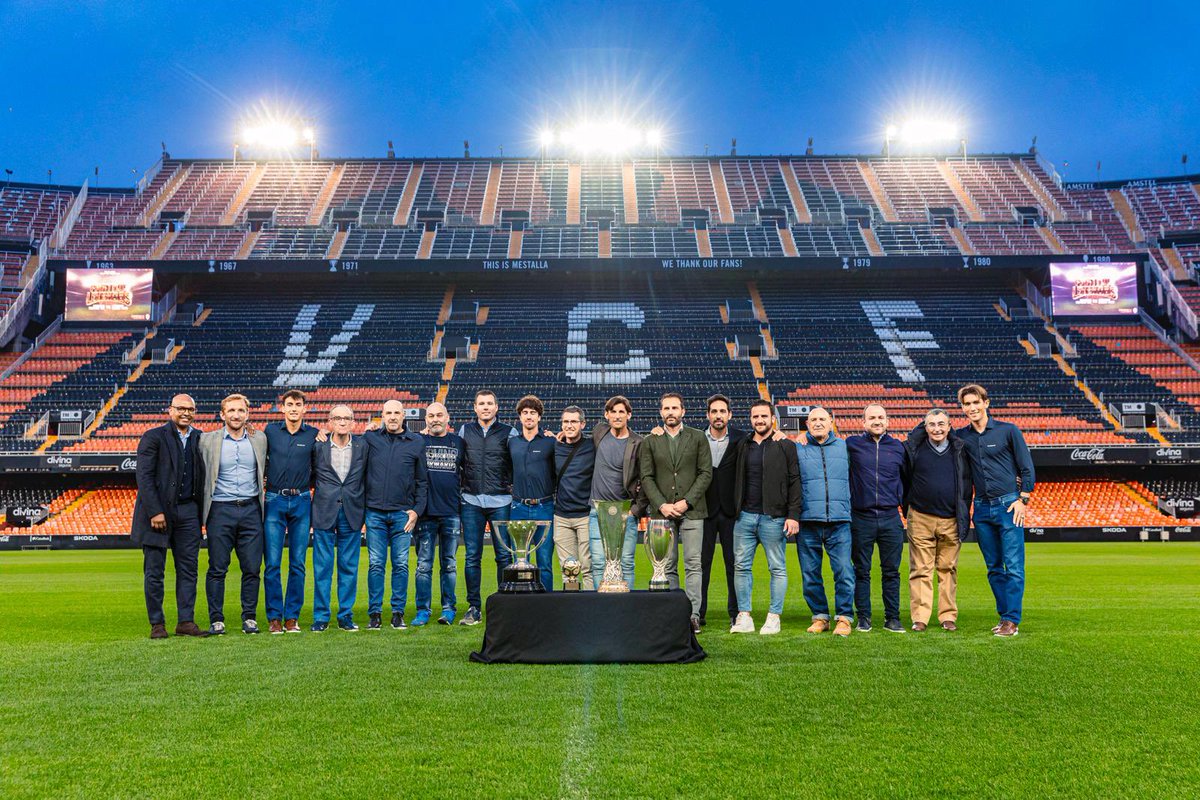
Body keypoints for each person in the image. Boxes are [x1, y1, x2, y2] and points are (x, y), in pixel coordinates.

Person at [957, 384, 1035, 637]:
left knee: (1013, 566)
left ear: (986, 403)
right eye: (966, 404)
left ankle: (1012, 620)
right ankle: (1005, 617)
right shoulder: (962, 437)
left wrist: (1022, 499)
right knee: (993, 567)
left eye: (975, 402)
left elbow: (1026, 467)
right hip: (981, 509)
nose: (972, 408)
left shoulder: (1008, 431)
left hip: (1009, 506)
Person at [130, 393, 206, 639]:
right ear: (170, 410)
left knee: (189, 570)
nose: (186, 413)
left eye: (190, 409)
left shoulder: (199, 438)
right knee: (154, 571)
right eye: (181, 408)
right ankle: (157, 624)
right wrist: (156, 511)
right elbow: (144, 476)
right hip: (158, 513)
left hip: (188, 511)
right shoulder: (153, 437)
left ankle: (185, 621)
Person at [639, 392, 713, 633]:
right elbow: (646, 477)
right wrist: (661, 504)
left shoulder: (698, 437)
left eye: (674, 408)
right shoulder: (650, 441)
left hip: (692, 511)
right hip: (662, 513)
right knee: (666, 565)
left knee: (693, 564)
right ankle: (672, 613)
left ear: (683, 411)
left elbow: (705, 473)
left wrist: (686, 502)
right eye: (666, 408)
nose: (670, 412)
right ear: (661, 412)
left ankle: (692, 615)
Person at [729, 400, 800, 635]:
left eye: (763, 416)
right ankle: (745, 616)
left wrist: (793, 515)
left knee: (777, 568)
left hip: (774, 518)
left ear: (773, 419)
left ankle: (773, 617)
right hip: (745, 517)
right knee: (741, 567)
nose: (759, 420)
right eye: (755, 417)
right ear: (750, 419)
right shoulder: (743, 444)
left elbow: (794, 481)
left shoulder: (785, 446)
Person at [200, 393, 268, 635]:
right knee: (217, 568)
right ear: (222, 415)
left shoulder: (259, 439)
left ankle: (249, 617)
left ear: (247, 414)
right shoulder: (207, 440)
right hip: (220, 509)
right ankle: (216, 619)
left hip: (251, 509)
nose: (236, 415)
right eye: (231, 411)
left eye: (241, 411)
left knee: (252, 568)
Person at [903, 408, 972, 632]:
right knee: (921, 569)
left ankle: (947, 616)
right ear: (925, 427)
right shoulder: (914, 448)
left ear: (949, 426)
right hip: (921, 516)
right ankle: (920, 618)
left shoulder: (960, 449)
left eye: (941, 424)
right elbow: (904, 478)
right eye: (932, 424)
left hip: (951, 518)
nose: (937, 428)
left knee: (947, 569)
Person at [362, 399, 428, 630]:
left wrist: (417, 511)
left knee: (400, 564)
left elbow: (422, 481)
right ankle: (375, 614)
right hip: (374, 513)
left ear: (403, 416)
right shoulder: (370, 438)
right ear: (382, 415)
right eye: (388, 413)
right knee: (376, 564)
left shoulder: (416, 442)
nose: (392, 417)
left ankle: (398, 612)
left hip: (402, 514)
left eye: (396, 413)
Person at [845, 404, 908, 633]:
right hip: (861, 517)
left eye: (881, 417)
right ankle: (864, 617)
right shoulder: (852, 445)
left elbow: (907, 479)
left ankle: (892, 618)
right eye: (872, 417)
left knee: (891, 571)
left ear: (888, 421)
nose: (877, 421)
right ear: (863, 422)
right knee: (861, 570)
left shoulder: (899, 447)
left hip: (891, 517)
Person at [794, 407, 855, 636]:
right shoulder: (797, 448)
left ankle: (844, 617)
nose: (818, 423)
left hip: (839, 521)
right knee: (810, 574)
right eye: (813, 420)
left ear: (832, 422)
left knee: (843, 571)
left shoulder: (845, 446)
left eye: (822, 419)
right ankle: (820, 616)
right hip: (808, 520)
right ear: (807, 424)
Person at [262, 389, 318, 634]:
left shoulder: (315, 435)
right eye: (289, 404)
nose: (294, 408)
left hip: (302, 500)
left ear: (305, 409)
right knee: (272, 563)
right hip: (274, 499)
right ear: (282, 408)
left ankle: (291, 617)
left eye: (298, 404)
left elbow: (318, 468)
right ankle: (274, 617)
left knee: (298, 563)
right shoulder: (270, 432)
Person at [457, 390, 514, 626]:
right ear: (475, 408)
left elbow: (518, 459)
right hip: (471, 500)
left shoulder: (509, 432)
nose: (486, 407)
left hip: (501, 500)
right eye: (481, 404)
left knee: (503, 556)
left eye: (490, 403)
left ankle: (503, 604)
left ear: (497, 408)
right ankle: (474, 608)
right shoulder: (464, 431)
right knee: (472, 557)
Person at [310, 404, 366, 632]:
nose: (342, 422)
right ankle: (321, 617)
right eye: (338, 418)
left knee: (349, 568)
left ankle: (345, 615)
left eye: (347, 418)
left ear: (353, 422)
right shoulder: (317, 446)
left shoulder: (363, 446)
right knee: (322, 568)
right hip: (324, 511)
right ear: (330, 422)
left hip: (352, 512)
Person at [587, 396, 644, 591]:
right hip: (597, 510)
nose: (617, 416)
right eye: (613, 411)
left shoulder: (638, 442)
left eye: (622, 412)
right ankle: (600, 607)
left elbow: (645, 479)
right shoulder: (599, 432)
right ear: (606, 415)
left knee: (626, 563)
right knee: (598, 563)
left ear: (629, 415)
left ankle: (627, 609)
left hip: (624, 511)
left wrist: (634, 511)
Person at [416, 402, 464, 626]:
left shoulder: (459, 443)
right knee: (424, 565)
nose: (435, 419)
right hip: (425, 513)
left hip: (451, 512)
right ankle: (422, 610)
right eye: (431, 416)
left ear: (447, 418)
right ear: (426, 419)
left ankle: (448, 608)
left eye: (439, 415)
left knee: (450, 564)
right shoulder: (418, 441)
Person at [700, 394, 745, 628]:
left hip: (731, 512)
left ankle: (736, 612)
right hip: (703, 511)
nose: (718, 415)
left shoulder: (741, 438)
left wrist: (780, 433)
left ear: (730, 415)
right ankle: (698, 612)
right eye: (714, 411)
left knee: (733, 564)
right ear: (708, 415)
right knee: (702, 564)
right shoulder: (696, 438)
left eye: (722, 411)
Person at [507, 395, 557, 590]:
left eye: (533, 413)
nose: (529, 416)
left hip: (544, 507)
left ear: (539, 417)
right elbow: (508, 472)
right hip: (518, 507)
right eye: (525, 413)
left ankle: (546, 605)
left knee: (544, 561)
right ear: (520, 417)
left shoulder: (550, 443)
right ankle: (522, 601)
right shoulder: (512, 443)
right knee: (519, 560)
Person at [553, 406, 596, 589]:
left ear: (582, 424)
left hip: (585, 515)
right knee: (567, 570)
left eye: (573, 421)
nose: (569, 425)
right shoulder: (553, 445)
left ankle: (589, 610)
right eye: (566, 422)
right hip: (561, 516)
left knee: (588, 568)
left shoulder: (592, 445)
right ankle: (571, 611)